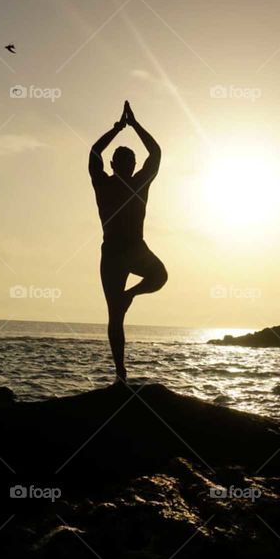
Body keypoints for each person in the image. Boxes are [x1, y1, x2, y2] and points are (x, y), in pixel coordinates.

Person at [89, 101, 167, 384]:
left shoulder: (132, 183)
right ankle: (120, 373)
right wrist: (129, 127)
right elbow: (155, 152)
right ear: (117, 165)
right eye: (123, 163)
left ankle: (129, 296)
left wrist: (122, 128)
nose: (127, 166)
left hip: (131, 250)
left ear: (132, 166)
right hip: (117, 252)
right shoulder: (116, 184)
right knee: (116, 315)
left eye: (129, 163)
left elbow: (95, 152)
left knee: (159, 277)